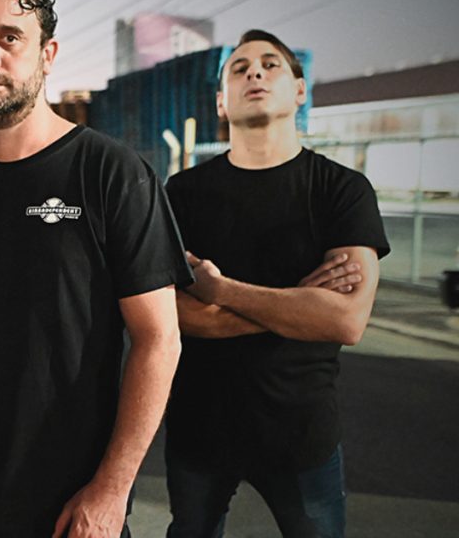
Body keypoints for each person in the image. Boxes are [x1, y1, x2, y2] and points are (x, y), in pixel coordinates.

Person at [0, 0, 192, 538]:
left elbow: (159, 340)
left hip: (71, 504)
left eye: (9, 37)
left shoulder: (111, 172)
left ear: (47, 54)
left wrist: (112, 489)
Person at [163, 29, 390, 538]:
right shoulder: (182, 193)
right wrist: (299, 306)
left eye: (270, 65)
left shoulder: (342, 191)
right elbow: (173, 315)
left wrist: (221, 291)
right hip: (200, 430)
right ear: (221, 102)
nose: (255, 73)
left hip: (302, 433)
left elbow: (345, 321)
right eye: (239, 69)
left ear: (300, 90)